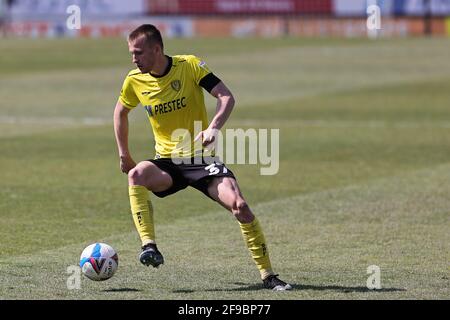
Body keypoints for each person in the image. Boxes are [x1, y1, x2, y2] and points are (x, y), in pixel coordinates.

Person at [113, 24, 291, 291]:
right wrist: (124, 154)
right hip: (166, 163)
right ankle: (149, 246)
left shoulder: (190, 66)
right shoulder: (134, 80)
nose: (134, 59)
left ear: (157, 49)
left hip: (201, 160)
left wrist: (214, 127)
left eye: (138, 53)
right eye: (131, 54)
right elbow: (120, 113)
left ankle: (268, 275)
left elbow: (226, 96)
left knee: (240, 206)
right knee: (136, 174)